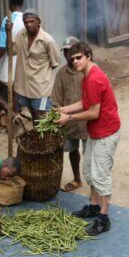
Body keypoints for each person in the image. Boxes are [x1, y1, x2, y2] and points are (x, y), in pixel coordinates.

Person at [55, 42, 121, 236]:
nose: (75, 61)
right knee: (89, 171)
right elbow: (86, 102)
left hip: (106, 133)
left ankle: (104, 218)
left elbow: (93, 112)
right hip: (95, 132)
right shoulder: (87, 74)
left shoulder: (93, 79)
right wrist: (63, 109)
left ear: (88, 57)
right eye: (72, 58)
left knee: (101, 176)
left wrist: (69, 117)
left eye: (79, 58)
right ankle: (93, 206)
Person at [51, 36, 87, 193]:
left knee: (90, 154)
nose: (68, 55)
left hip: (88, 120)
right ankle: (77, 179)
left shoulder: (87, 70)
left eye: (71, 51)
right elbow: (56, 99)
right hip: (69, 122)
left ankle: (95, 186)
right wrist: (56, 112)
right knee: (73, 151)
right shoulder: (61, 74)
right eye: (65, 51)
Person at [12, 8, 61, 120]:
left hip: (41, 89)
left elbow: (55, 63)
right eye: (26, 22)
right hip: (25, 88)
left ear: (38, 21)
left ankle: (46, 138)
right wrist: (8, 33)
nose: (28, 25)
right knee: (34, 116)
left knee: (43, 117)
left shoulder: (48, 41)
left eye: (31, 21)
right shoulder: (21, 34)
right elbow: (11, 52)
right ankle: (37, 137)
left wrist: (39, 72)